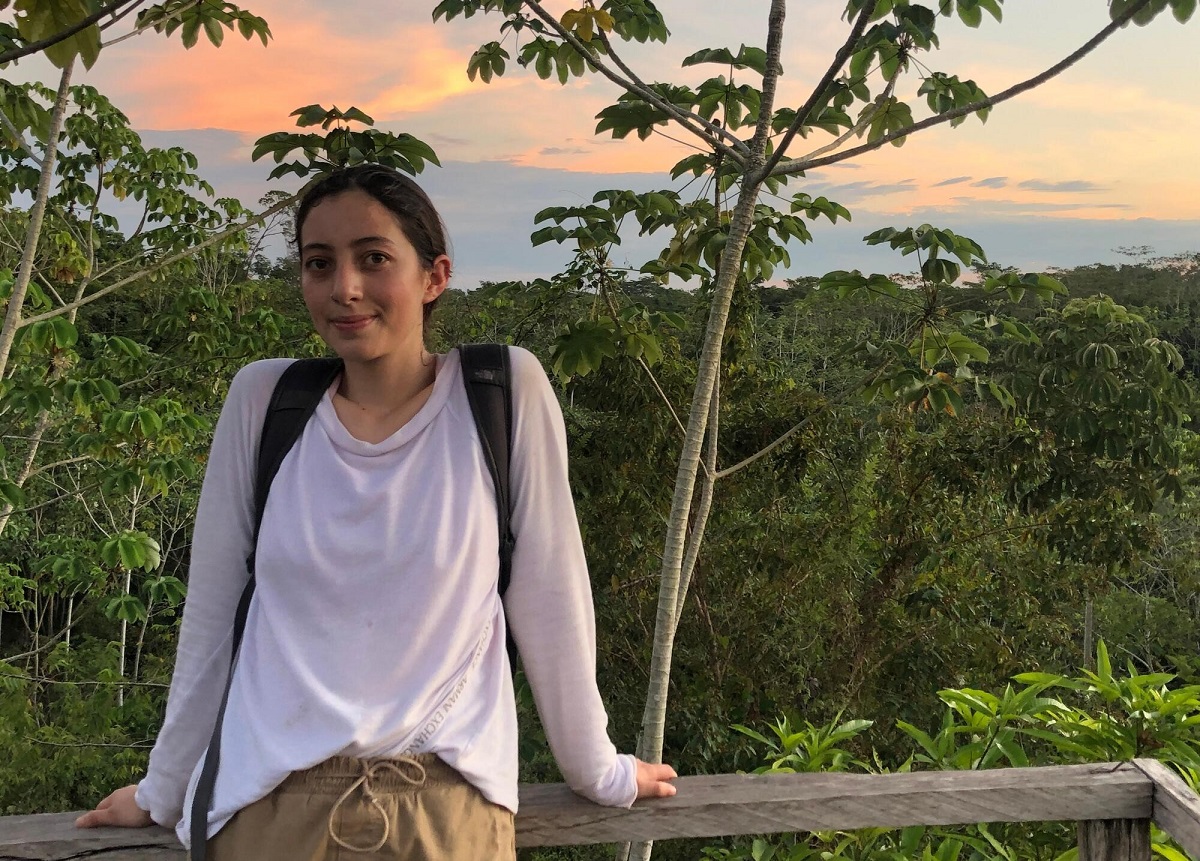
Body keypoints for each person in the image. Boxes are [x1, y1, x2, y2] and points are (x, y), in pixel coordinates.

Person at [75, 164, 677, 859]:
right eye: (318, 263)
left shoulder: (500, 393)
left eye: (374, 258)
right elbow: (212, 616)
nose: (345, 288)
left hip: (443, 811)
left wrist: (596, 769)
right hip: (268, 813)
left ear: (434, 275)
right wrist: (165, 788)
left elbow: (551, 595)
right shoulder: (265, 403)